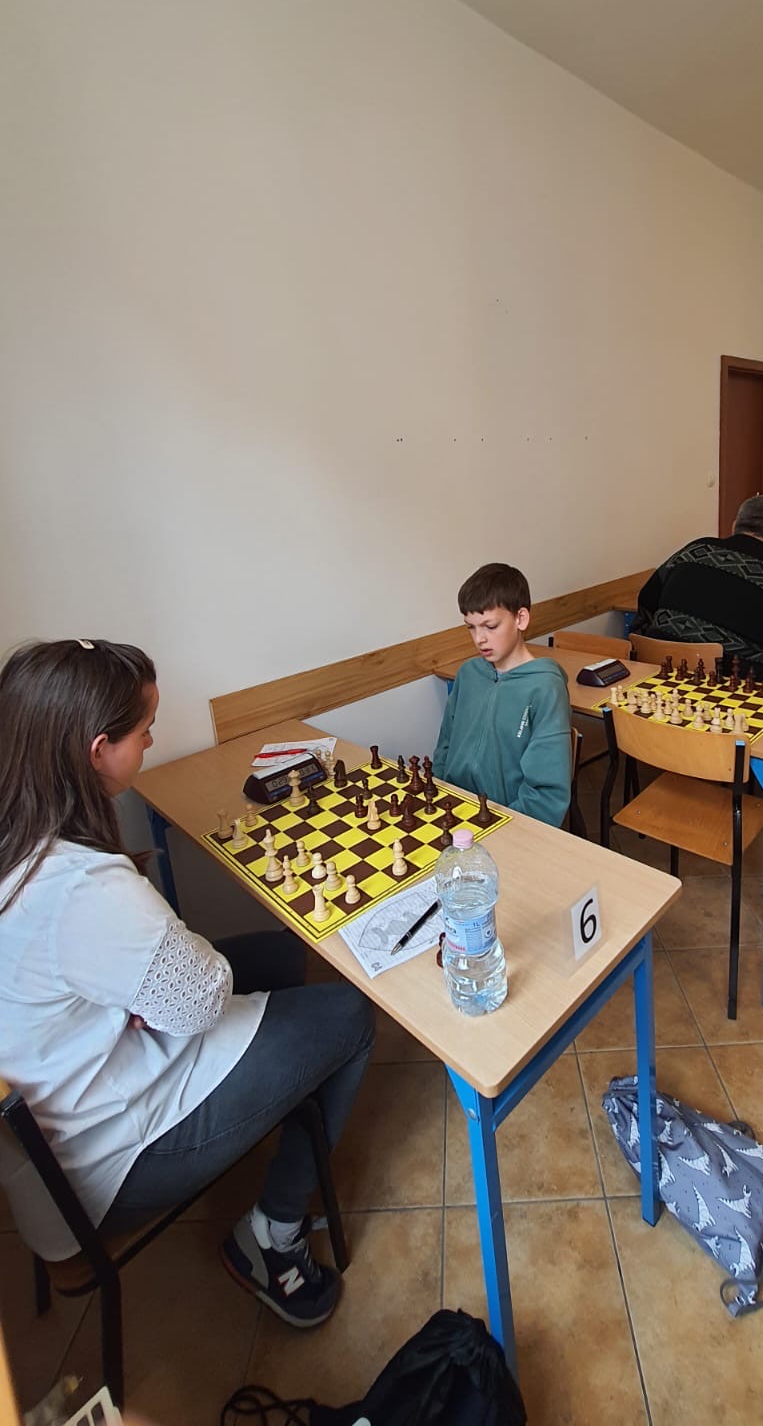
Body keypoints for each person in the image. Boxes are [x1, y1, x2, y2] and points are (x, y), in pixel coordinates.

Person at [0, 639, 374, 1329]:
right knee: (350, 1013)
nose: (151, 740)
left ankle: (283, 1105)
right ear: (97, 750)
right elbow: (200, 1000)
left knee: (281, 957)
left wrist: (142, 990)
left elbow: (154, 979)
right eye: (144, 730)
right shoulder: (79, 886)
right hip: (104, 1166)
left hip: (60, 1122)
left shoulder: (20, 839)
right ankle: (273, 1236)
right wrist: (160, 983)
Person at [634, 495, 763, 694]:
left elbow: (647, 599)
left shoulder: (694, 549)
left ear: (734, 526)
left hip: (663, 663)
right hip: (734, 678)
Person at [433, 563, 572, 828]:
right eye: (471, 627)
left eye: (490, 626)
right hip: (454, 812)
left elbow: (547, 795)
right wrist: (439, 793)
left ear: (521, 619)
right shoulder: (468, 674)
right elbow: (445, 746)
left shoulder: (545, 688)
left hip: (507, 822)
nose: (479, 639)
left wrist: (503, 829)